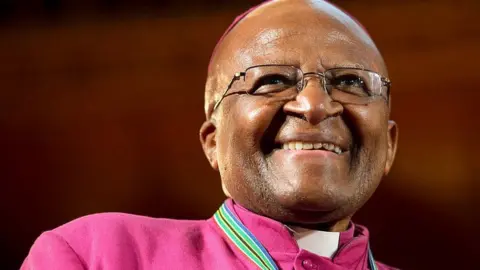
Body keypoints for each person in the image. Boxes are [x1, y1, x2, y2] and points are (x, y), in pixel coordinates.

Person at [21, 0, 398, 269]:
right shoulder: (100, 255)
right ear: (213, 142)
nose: (315, 105)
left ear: (389, 147)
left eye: (350, 82)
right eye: (272, 81)